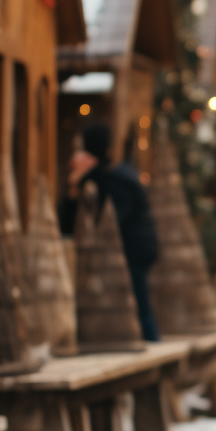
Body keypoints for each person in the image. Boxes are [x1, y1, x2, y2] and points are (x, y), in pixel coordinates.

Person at [61, 124, 161, 341]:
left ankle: (153, 344)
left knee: (139, 303)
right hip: (136, 247)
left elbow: (111, 219)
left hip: (134, 249)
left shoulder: (117, 178)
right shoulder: (113, 174)